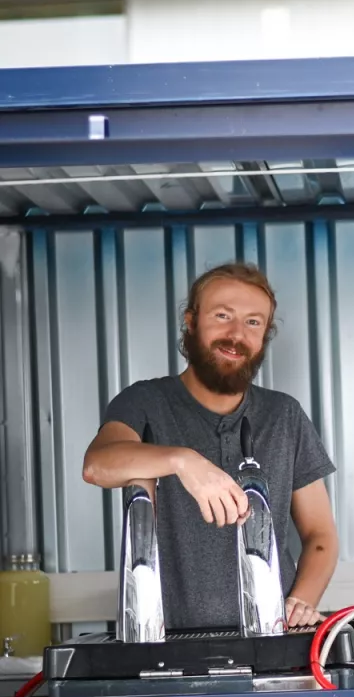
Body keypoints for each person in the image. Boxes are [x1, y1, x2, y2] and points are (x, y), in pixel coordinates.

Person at [83, 262, 339, 630]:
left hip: (271, 638)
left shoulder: (285, 415)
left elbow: (321, 535)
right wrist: (183, 461)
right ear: (191, 321)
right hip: (165, 645)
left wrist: (301, 602)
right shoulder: (145, 402)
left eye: (253, 322)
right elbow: (98, 465)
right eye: (222, 316)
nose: (236, 335)